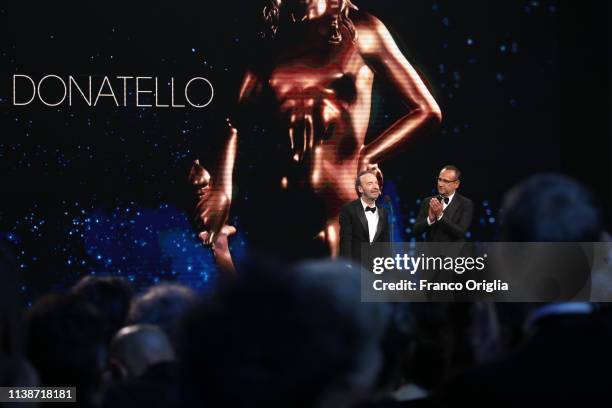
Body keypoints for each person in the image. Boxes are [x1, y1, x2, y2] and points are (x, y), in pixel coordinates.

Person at [189, 0, 442, 271]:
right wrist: (221, 191)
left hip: (340, 212)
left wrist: (370, 154)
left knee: (344, 305)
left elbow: (426, 110)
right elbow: (233, 120)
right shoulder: (272, 35)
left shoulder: (361, 29)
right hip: (280, 210)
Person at [339, 170, 390, 270]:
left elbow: (386, 243)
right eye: (370, 184)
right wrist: (346, 265)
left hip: (377, 268)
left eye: (376, 183)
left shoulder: (383, 212)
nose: (375, 187)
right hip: (355, 267)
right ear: (360, 189)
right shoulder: (349, 209)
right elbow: (346, 240)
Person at [413, 165, 473, 242]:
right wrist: (429, 220)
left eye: (446, 181)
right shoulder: (428, 201)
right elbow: (415, 231)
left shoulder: (466, 204)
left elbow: (460, 233)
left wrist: (440, 216)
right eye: (439, 179)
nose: (440, 184)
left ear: (456, 184)